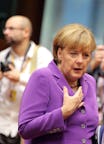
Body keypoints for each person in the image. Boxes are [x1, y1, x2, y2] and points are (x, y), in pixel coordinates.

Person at [18, 23, 99, 144]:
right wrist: (63, 113)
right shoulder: (42, 77)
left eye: (86, 55)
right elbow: (25, 129)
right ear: (59, 53)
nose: (80, 60)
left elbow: (88, 129)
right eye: (73, 54)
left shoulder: (90, 81)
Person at [0, 15, 53, 144]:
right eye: (5, 28)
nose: (5, 32)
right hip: (2, 124)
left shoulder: (43, 55)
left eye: (11, 28)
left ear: (26, 32)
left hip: (28, 127)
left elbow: (49, 85)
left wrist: (20, 78)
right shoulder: (2, 56)